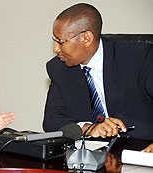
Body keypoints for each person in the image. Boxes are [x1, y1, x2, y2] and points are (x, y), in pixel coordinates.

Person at [43, 3, 153, 151]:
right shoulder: (59, 68)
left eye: (61, 41)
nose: (55, 49)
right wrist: (88, 128)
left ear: (87, 38)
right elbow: (51, 121)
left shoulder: (140, 58)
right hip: (93, 155)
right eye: (54, 40)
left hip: (141, 150)